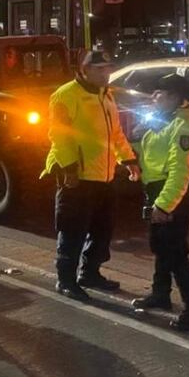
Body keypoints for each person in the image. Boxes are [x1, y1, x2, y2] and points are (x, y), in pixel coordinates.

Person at [42, 50, 139, 301]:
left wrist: (128, 160)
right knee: (72, 230)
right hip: (77, 177)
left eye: (108, 68)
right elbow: (59, 135)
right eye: (100, 69)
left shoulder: (105, 96)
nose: (106, 73)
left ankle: (90, 273)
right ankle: (65, 280)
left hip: (103, 175)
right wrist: (70, 168)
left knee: (102, 229)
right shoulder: (65, 95)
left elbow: (115, 133)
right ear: (85, 70)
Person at [131, 74, 189, 331]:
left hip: (175, 194)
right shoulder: (165, 120)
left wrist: (164, 205)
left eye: (159, 93)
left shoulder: (185, 125)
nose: (153, 97)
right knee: (161, 246)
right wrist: (139, 136)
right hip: (158, 190)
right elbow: (152, 155)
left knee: (175, 253)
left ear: (175, 97)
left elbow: (180, 171)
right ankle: (160, 294)